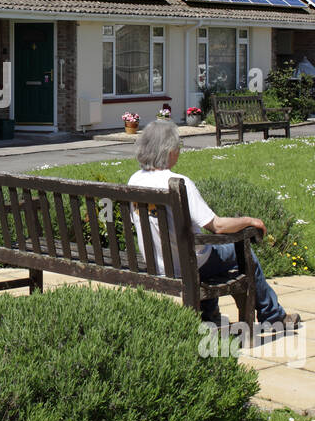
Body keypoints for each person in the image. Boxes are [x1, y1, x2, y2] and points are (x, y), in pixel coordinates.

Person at [127, 120, 299, 331]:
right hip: (186, 264)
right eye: (177, 146)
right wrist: (250, 221)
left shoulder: (134, 180)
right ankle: (273, 317)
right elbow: (216, 226)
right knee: (243, 256)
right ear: (169, 150)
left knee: (206, 252)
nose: (179, 150)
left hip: (157, 262)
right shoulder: (178, 182)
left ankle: (210, 317)